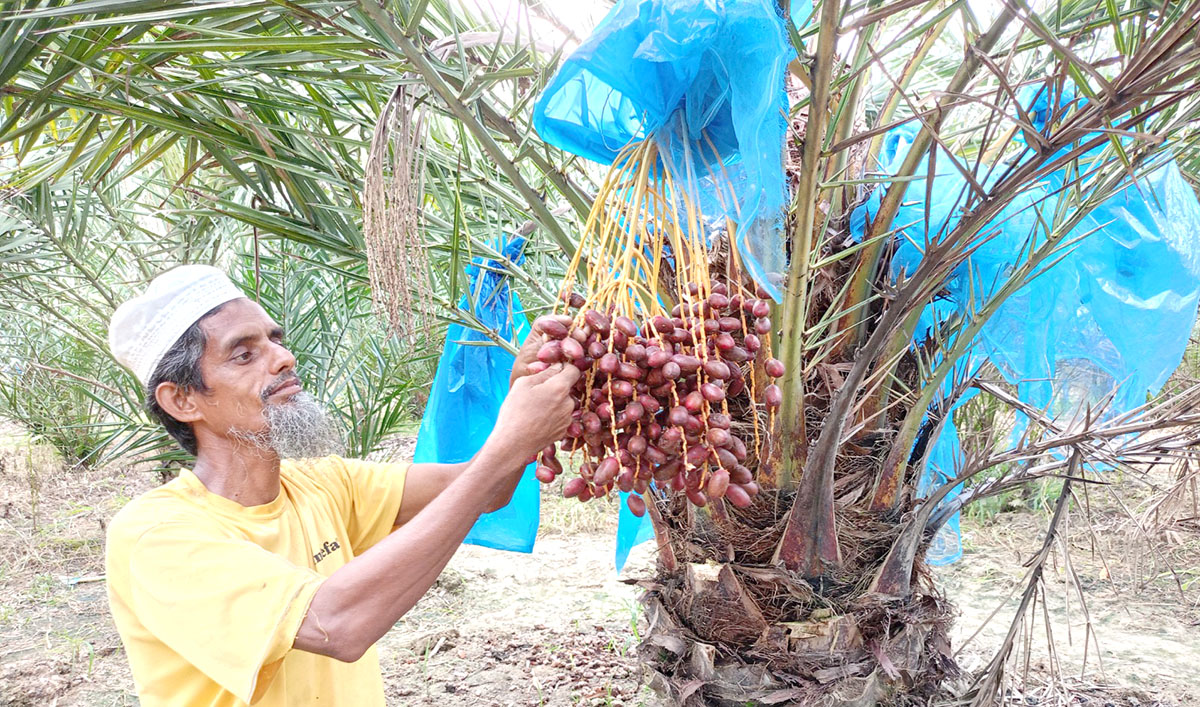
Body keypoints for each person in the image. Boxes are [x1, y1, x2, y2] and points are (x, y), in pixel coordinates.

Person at [103, 264, 576, 706]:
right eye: (245, 355)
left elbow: (485, 490)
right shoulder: (155, 536)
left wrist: (520, 392)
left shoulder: (321, 483)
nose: (284, 358)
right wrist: (510, 443)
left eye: (275, 341)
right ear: (182, 400)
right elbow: (337, 625)